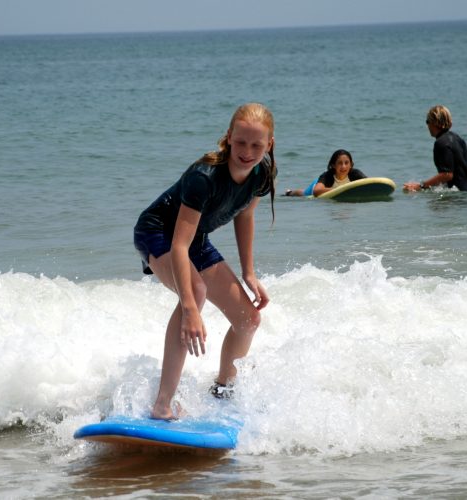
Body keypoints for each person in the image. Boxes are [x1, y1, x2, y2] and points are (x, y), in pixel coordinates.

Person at [133, 103, 277, 420]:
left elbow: (246, 216)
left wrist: (249, 273)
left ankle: (223, 392)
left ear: (269, 144)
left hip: (194, 239)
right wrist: (189, 310)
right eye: (240, 142)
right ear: (228, 138)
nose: (247, 151)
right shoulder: (205, 176)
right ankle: (162, 405)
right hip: (157, 232)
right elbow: (179, 245)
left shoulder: (261, 174)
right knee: (194, 293)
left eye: (256, 145)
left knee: (249, 320)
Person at [404, 105, 467, 192]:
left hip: (458, 197)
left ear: (434, 122)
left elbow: (447, 175)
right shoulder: (459, 140)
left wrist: (421, 186)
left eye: (427, 121)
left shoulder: (441, 143)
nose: (427, 126)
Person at [284, 149, 366, 197]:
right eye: (340, 163)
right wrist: (341, 190)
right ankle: (290, 192)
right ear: (333, 165)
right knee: (303, 193)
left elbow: (370, 183)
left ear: (351, 164)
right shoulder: (328, 175)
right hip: (317, 185)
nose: (343, 166)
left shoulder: (355, 174)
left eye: (346, 163)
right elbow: (316, 191)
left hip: (327, 187)